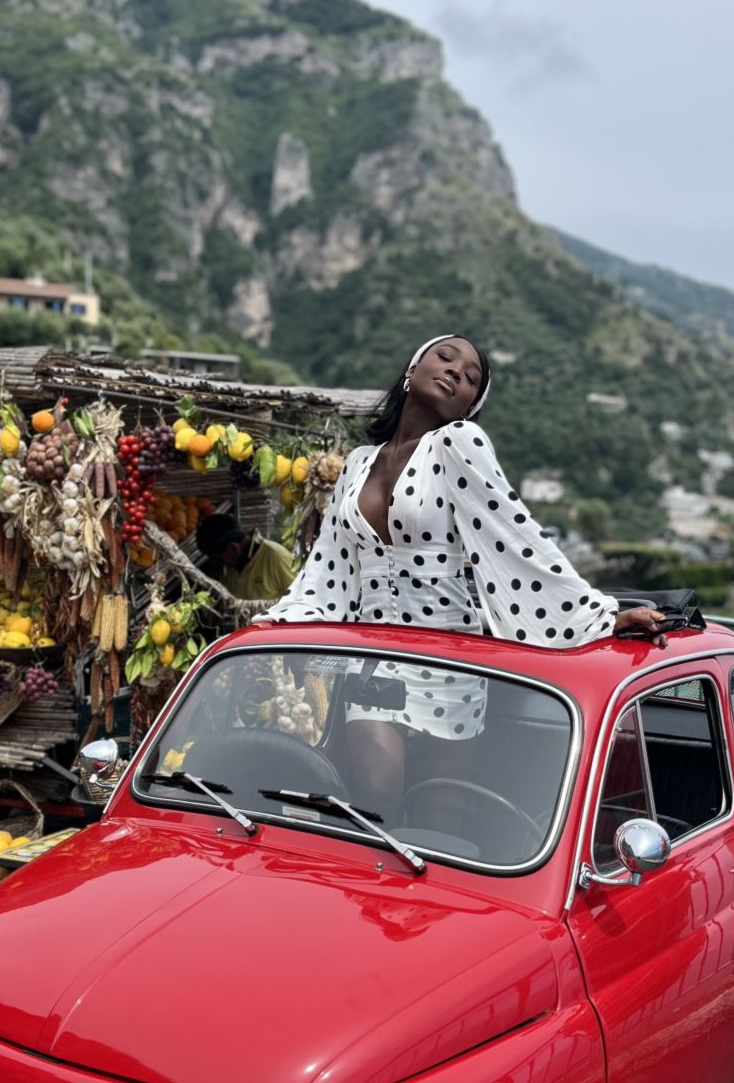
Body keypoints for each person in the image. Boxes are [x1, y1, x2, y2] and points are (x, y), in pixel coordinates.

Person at [261, 333, 665, 797]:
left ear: (470, 405)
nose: (455, 371)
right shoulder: (357, 463)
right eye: (445, 357)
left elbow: (517, 537)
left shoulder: (459, 443)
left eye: (471, 377)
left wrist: (600, 617)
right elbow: (327, 566)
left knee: (440, 814)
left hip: (451, 660)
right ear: (411, 372)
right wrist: (279, 625)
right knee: (376, 794)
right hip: (372, 660)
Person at [196, 513, 298, 604]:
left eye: (219, 559)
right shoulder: (230, 567)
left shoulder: (276, 556)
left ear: (233, 548)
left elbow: (300, 598)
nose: (218, 563)